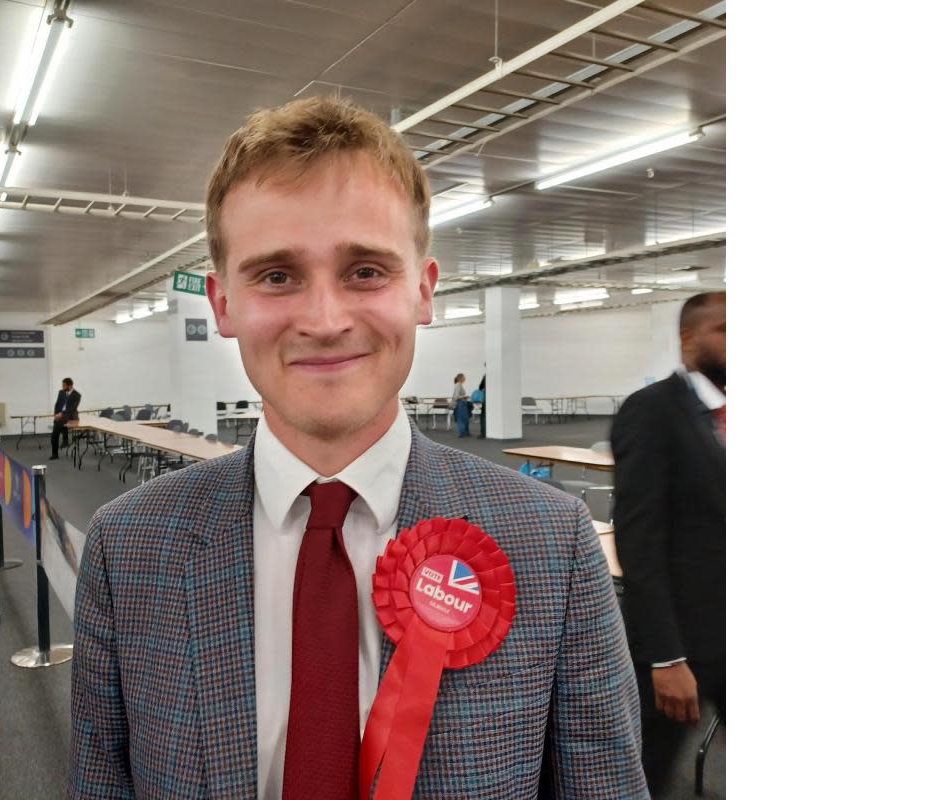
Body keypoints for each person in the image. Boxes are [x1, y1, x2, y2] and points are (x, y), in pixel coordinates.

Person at [68, 96, 645, 799]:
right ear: (223, 305)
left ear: (423, 292)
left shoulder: (553, 549)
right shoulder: (128, 551)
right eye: (277, 276)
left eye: (366, 271)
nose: (324, 319)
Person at [610, 291, 726, 793]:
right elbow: (640, 540)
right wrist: (664, 657)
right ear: (688, 339)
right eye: (725, 330)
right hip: (685, 641)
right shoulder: (651, 411)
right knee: (648, 774)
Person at [50, 377, 81, 460]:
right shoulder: (61, 392)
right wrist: (56, 415)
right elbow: (57, 404)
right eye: (62, 385)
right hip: (60, 417)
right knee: (54, 435)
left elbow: (72, 408)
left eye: (64, 385)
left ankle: (65, 439)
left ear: (70, 386)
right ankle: (55, 454)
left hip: (70, 416)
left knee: (60, 424)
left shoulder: (77, 395)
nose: (62, 387)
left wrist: (61, 414)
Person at [451, 372, 471, 438]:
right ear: (461, 378)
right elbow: (456, 396)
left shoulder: (459, 385)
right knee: (461, 419)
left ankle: (465, 433)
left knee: (465, 418)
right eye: (464, 377)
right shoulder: (458, 385)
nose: (465, 378)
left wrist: (464, 397)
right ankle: (461, 433)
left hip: (462, 403)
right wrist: (464, 396)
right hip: (460, 404)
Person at [477, 371, 487, 438]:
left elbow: (480, 387)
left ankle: (483, 433)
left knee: (483, 416)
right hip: (496, 400)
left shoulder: (486, 376)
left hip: (486, 400)